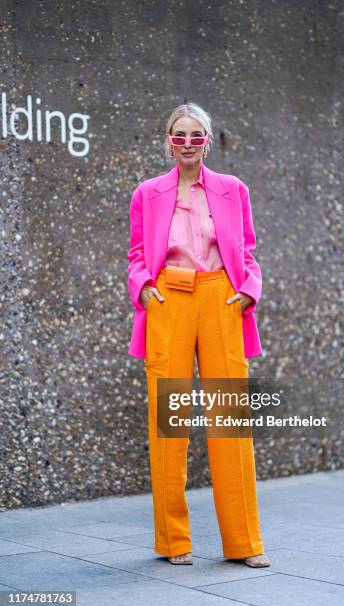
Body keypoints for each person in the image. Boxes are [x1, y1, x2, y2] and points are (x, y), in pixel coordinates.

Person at [127, 102, 270, 568]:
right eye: (178, 134)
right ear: (167, 140)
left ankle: (245, 543)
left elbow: (246, 250)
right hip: (168, 298)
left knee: (231, 420)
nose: (187, 143)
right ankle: (174, 541)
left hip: (220, 300)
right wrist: (145, 290)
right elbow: (135, 254)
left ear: (208, 140)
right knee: (170, 422)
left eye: (195, 135)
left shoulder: (233, 190)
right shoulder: (146, 193)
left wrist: (248, 291)